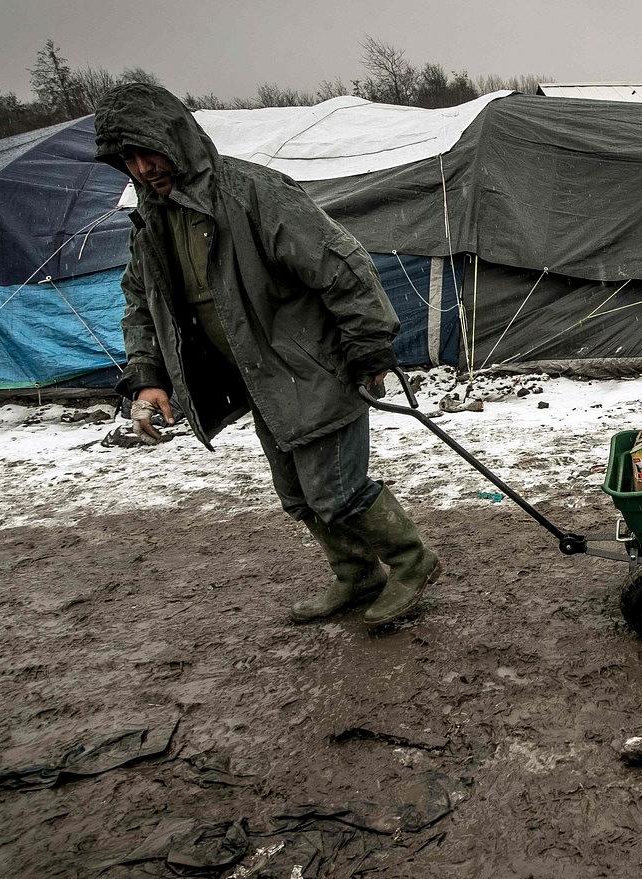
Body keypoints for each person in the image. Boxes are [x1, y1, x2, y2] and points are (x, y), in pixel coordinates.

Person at [93, 82, 438, 628]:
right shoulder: (153, 220)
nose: (141, 167)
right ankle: (356, 574)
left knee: (338, 492)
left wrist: (370, 347)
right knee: (298, 497)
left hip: (314, 368)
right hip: (257, 380)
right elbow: (142, 301)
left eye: (147, 150)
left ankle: (412, 562)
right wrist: (146, 374)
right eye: (126, 158)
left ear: (175, 138)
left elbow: (340, 266)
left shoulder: (252, 192)